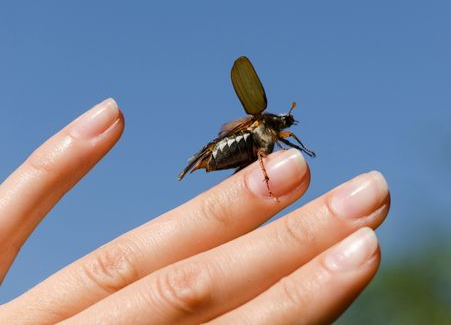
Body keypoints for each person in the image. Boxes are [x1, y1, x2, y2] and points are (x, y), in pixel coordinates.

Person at [0, 98, 390, 324]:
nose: (287, 127)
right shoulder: (262, 125)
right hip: (233, 145)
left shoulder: (276, 133)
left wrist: (294, 150)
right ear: (273, 121)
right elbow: (238, 138)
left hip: (242, 147)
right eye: (285, 123)